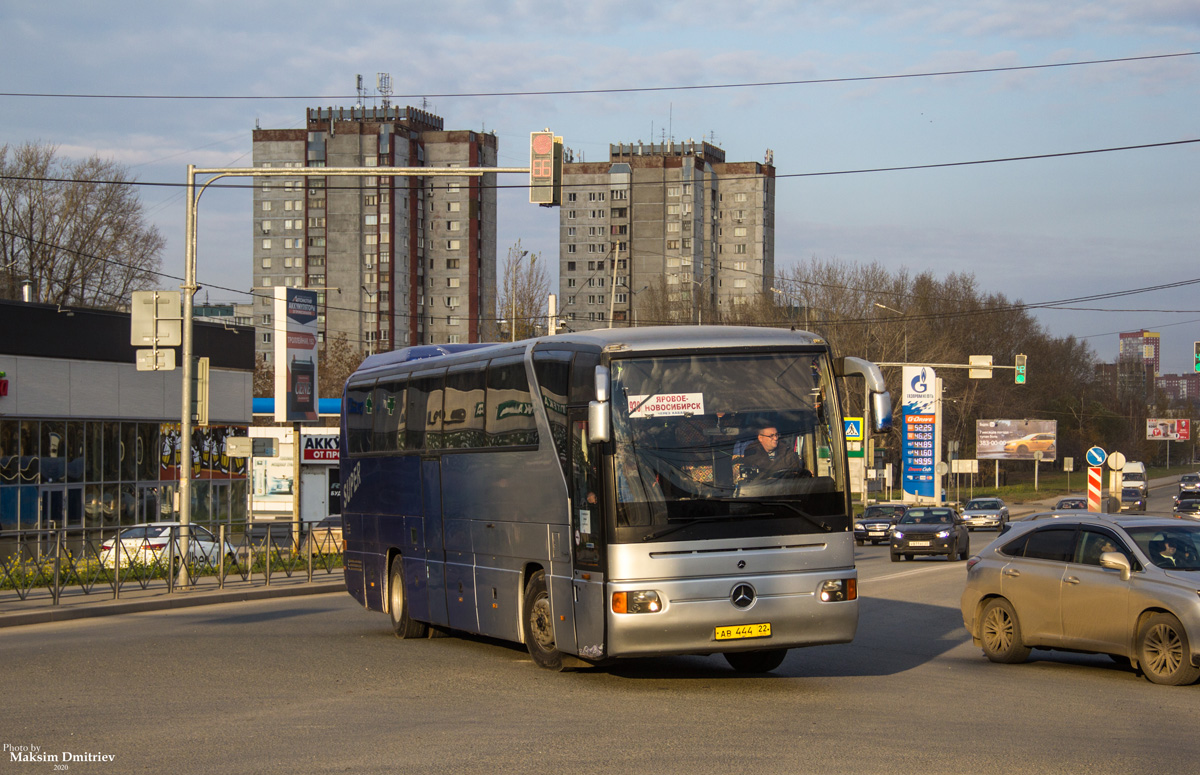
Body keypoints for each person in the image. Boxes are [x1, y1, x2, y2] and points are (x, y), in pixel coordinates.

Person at [741, 425, 810, 481]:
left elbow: (796, 471)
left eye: (776, 435)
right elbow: (760, 475)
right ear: (760, 438)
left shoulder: (786, 450)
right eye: (771, 436)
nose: (775, 438)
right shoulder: (752, 452)